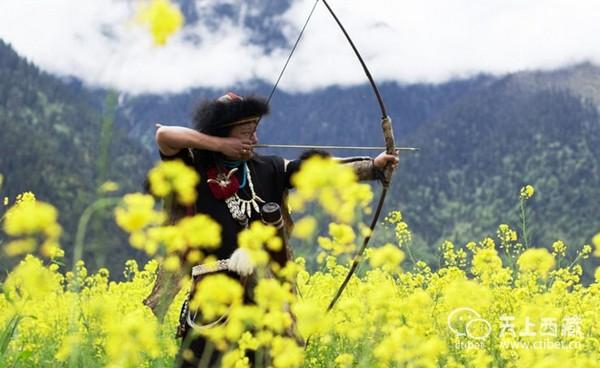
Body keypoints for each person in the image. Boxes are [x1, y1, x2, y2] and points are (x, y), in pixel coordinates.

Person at [146, 92, 397, 367]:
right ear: (223, 133)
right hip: (213, 302)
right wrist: (222, 145)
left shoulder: (269, 168)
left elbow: (316, 170)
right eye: (245, 133)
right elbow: (165, 137)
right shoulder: (194, 167)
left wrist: (373, 166)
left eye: (254, 132)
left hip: (265, 299)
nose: (253, 140)